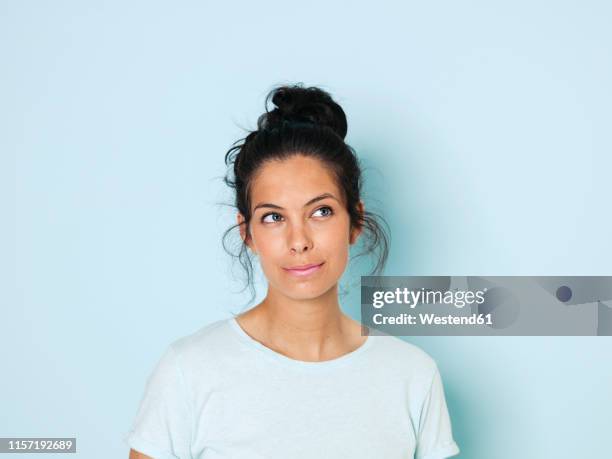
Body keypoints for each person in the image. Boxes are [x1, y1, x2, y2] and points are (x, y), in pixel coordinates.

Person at [124, 83, 460, 459]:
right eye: (273, 217)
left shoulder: (412, 376)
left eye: (321, 212)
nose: (298, 240)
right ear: (247, 232)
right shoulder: (189, 372)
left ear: (356, 220)